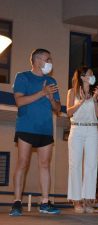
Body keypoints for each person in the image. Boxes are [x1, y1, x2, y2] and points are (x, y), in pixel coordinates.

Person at [10, 48, 61, 216]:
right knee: (22, 163)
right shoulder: (22, 76)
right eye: (48, 59)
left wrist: (51, 98)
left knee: (45, 165)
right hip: (26, 127)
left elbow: (58, 108)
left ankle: (45, 202)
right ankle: (17, 202)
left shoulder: (51, 81)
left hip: (45, 128)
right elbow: (19, 101)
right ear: (38, 60)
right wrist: (42, 93)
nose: (50, 62)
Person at [66, 66, 98, 213]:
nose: (92, 76)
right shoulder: (72, 92)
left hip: (92, 129)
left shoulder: (96, 92)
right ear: (82, 76)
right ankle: (76, 200)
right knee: (75, 164)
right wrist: (79, 102)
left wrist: (94, 99)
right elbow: (68, 112)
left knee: (92, 164)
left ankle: (88, 199)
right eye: (90, 74)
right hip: (76, 128)